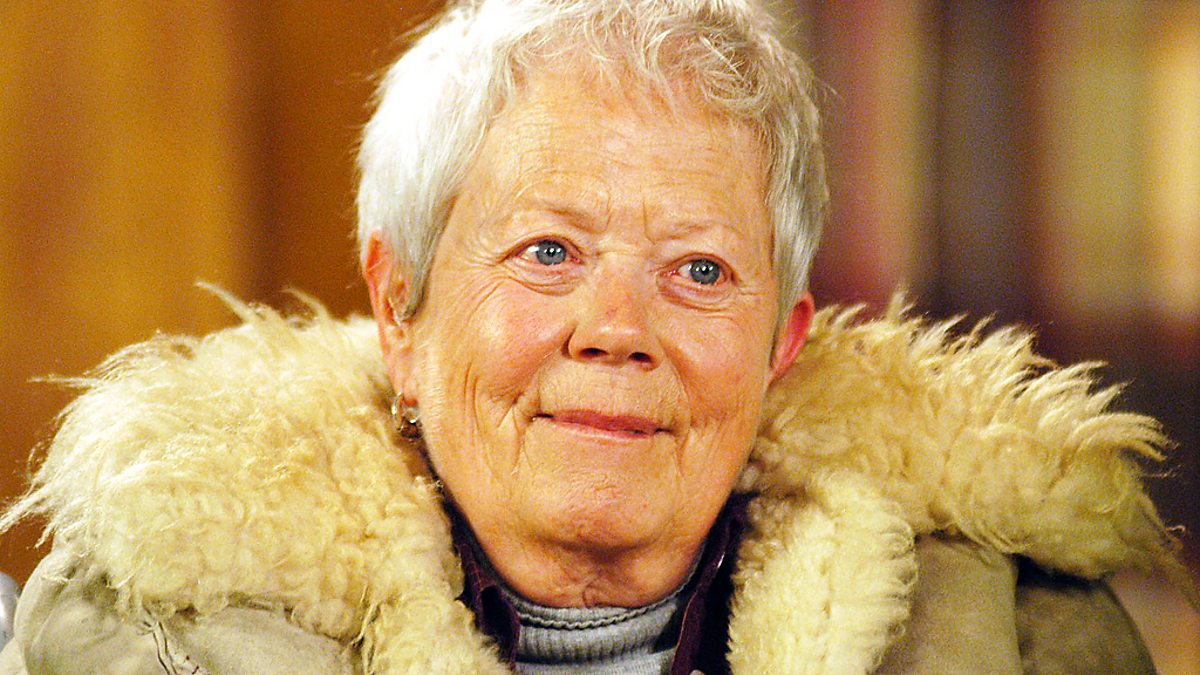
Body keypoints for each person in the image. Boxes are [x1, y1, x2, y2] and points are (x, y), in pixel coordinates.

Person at [0, 0, 1192, 672]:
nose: (619, 331)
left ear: (781, 346)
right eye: (549, 252)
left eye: (700, 271)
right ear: (402, 309)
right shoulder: (149, 638)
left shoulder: (1025, 638)